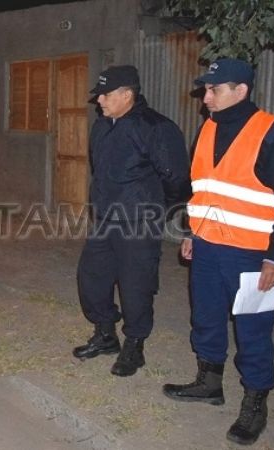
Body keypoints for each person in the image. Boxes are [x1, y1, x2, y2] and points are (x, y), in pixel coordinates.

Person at [162, 58, 274, 446]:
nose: (205, 98)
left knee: (253, 332)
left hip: (252, 257)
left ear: (241, 91)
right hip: (207, 248)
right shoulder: (207, 129)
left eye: (213, 90)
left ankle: (256, 404)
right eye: (205, 89)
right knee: (205, 318)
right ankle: (209, 383)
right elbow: (203, 191)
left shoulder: (271, 133)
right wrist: (193, 232)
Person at [73, 65, 191, 377]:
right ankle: (106, 333)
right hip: (106, 220)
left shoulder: (155, 127)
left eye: (106, 94)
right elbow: (99, 170)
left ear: (127, 95)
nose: (99, 100)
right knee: (91, 278)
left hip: (139, 222)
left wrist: (157, 210)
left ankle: (134, 345)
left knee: (136, 285)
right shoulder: (102, 127)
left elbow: (177, 177)